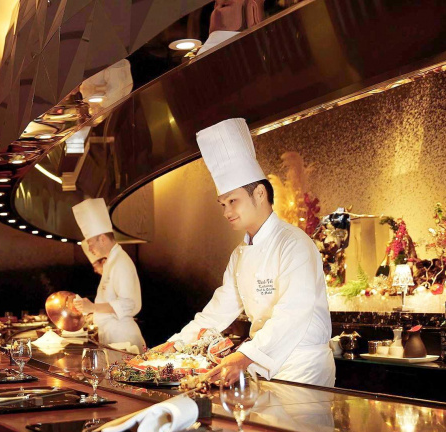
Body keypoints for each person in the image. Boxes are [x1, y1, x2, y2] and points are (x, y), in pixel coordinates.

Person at [158, 118, 334, 387]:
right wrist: (174, 345)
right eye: (222, 204)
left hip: (303, 369)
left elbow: (293, 313)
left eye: (232, 201)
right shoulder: (240, 254)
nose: (226, 212)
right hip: (263, 364)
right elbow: (217, 312)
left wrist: (244, 356)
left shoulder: (294, 243)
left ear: (260, 194)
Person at [72, 199, 145, 353]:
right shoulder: (111, 262)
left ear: (103, 239)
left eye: (90, 243)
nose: (90, 248)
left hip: (123, 339)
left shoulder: (121, 262)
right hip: (113, 337)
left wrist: (92, 307)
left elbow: (128, 304)